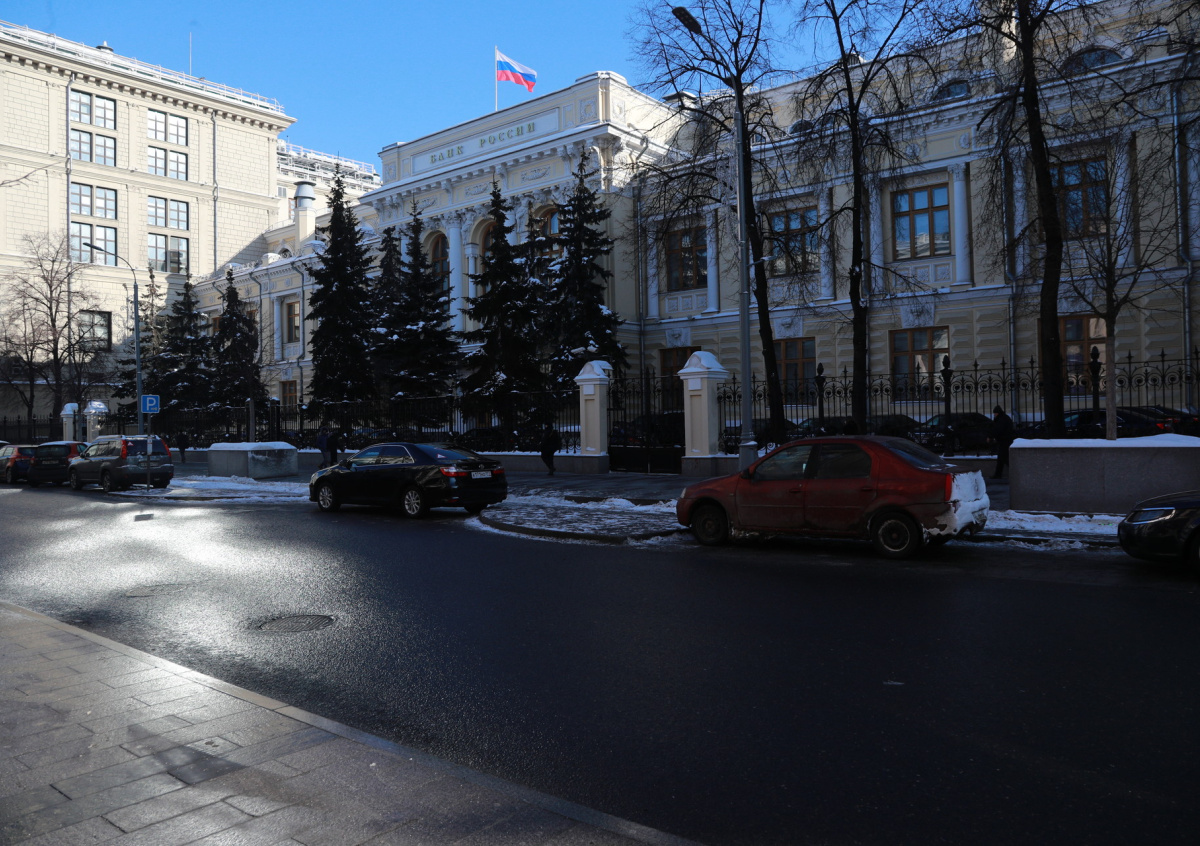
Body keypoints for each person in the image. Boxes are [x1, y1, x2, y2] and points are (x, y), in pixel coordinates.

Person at [988, 405, 1015, 480]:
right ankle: (998, 474)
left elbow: (997, 430)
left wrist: (990, 436)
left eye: (995, 413)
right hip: (1006, 440)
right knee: (1001, 459)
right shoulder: (1004, 418)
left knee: (1004, 458)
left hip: (1004, 441)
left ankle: (1015, 472)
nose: (994, 415)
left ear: (998, 413)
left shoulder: (1001, 420)